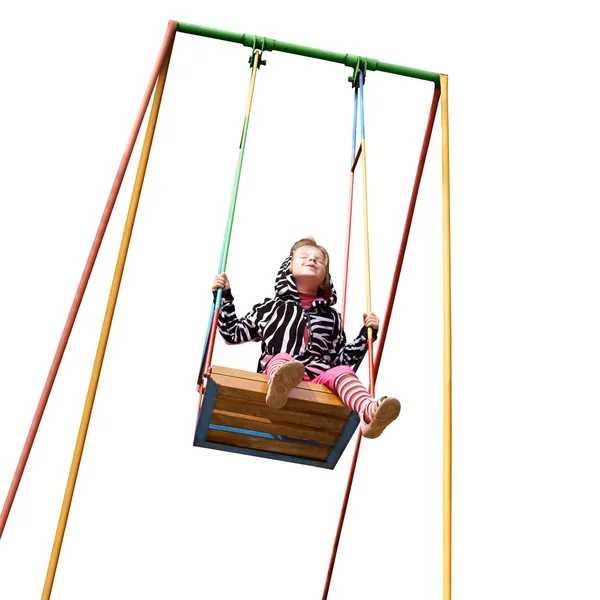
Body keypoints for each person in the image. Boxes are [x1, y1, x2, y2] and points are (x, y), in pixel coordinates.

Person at [212, 237, 400, 439]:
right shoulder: (269, 309)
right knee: (282, 358)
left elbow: (340, 358)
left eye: (319, 261)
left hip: (319, 379)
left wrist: (366, 335)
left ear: (324, 278)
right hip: (277, 370)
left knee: (343, 372)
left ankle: (368, 411)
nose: (312, 260)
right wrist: (224, 297)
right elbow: (232, 333)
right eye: (304, 256)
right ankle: (279, 385)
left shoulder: (331, 317)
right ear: (288, 267)